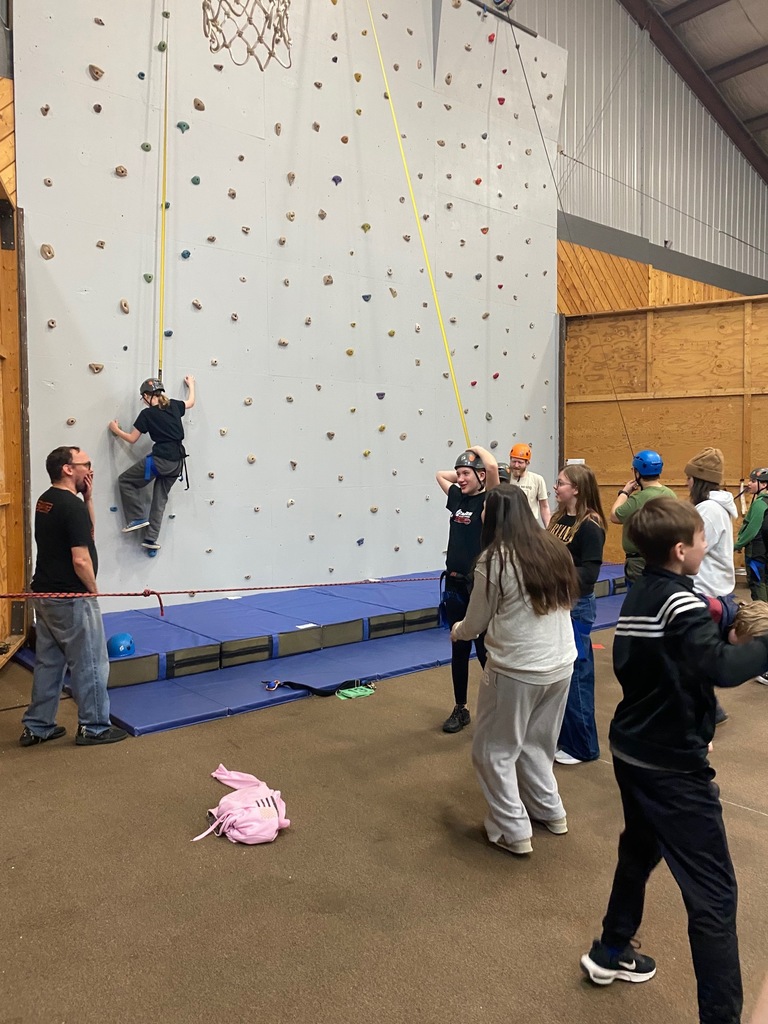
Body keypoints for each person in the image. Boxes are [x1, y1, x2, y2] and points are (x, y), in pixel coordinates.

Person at [581, 498, 768, 1024]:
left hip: (633, 749)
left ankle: (611, 951)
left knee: (639, 849)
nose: (709, 545)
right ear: (682, 550)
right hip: (670, 766)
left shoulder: (645, 592)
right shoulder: (682, 605)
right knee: (714, 896)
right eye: (702, 540)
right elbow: (721, 667)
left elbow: (668, 662)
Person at [451, 485, 578, 854]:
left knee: (493, 749)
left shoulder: (494, 560)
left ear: (495, 515)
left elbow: (475, 621)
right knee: (537, 744)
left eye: (487, 510)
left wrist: (458, 631)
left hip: (517, 669)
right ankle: (551, 812)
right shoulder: (553, 548)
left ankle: (513, 831)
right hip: (561, 665)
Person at [20, 447, 128, 747]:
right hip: (71, 597)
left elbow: (86, 534)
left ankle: (38, 726)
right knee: (91, 662)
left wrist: (89, 500)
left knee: (50, 663)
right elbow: (81, 559)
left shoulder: (47, 501)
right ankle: (94, 727)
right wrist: (92, 590)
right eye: (86, 465)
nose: (90, 471)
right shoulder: (70, 507)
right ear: (68, 469)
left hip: (44, 595)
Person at [436, 446, 499, 733]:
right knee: (459, 647)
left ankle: (497, 707)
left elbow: (494, 471)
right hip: (454, 583)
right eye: (458, 474)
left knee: (485, 648)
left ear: (482, 476)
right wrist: (465, 468)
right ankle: (460, 708)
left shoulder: (489, 502)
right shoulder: (457, 498)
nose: (459, 478)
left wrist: (476, 452)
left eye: (465, 474)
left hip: (479, 585)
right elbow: (440, 474)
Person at [547, 464, 606, 765]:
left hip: (577, 605)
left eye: (561, 483)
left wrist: (557, 571)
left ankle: (584, 745)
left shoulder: (590, 525)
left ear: (577, 489)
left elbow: (591, 573)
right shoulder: (558, 518)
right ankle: (563, 738)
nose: (556, 487)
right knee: (560, 676)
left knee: (578, 675)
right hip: (557, 604)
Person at [109, 375, 195, 550]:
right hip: (177, 463)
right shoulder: (174, 405)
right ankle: (150, 540)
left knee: (125, 481)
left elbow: (132, 439)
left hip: (160, 461)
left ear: (147, 396)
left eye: (143, 398)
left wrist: (116, 430)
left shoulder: (147, 414)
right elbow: (191, 402)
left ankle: (136, 516)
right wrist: (191, 385)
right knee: (160, 500)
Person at [685, 447, 738, 724]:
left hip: (706, 596)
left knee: (692, 660)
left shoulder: (708, 510)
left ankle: (705, 712)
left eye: (689, 479)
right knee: (696, 659)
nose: (686, 484)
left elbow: (693, 550)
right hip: (716, 595)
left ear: (698, 481)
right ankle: (709, 709)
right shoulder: (716, 509)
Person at [610, 449, 675, 584]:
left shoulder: (637, 500)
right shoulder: (670, 494)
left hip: (639, 564)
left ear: (637, 473)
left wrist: (624, 492)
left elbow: (614, 516)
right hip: (665, 562)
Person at [734, 468, 768, 602]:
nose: (749, 484)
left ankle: (762, 616)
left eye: (753, 481)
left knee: (757, 584)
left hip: (756, 554)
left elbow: (752, 530)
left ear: (764, 484)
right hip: (765, 553)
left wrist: (737, 544)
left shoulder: (760, 504)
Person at [508, 443, 551, 526]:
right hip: (508, 526)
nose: (516, 465)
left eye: (520, 462)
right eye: (513, 461)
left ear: (527, 463)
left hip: (529, 526)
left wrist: (549, 530)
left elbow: (544, 506)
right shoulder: (504, 478)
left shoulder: (537, 479)